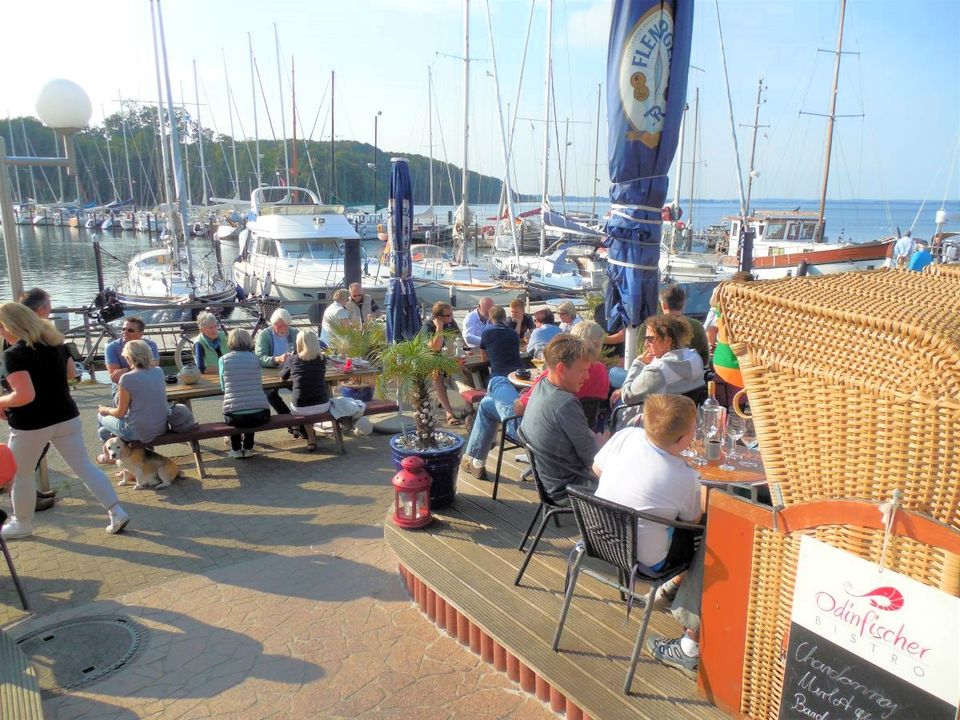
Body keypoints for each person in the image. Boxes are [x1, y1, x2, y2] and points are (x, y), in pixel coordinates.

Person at [592, 394, 705, 675]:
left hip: (598, 537)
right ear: (681, 441)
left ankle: (674, 587)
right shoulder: (683, 475)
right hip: (645, 560)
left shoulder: (626, 436)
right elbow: (693, 519)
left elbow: (597, 469)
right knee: (714, 536)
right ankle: (689, 640)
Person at [0, 303, 130, 539]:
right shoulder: (55, 343)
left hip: (32, 423)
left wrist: (1, 401)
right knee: (84, 467)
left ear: (9, 326)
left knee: (22, 473)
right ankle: (116, 511)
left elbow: (25, 395)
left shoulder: (13, 354)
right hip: (66, 415)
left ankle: (22, 523)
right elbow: (72, 373)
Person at [518, 334, 601, 503]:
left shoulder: (542, 386)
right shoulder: (566, 403)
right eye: (582, 370)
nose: (587, 377)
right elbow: (592, 458)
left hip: (549, 482)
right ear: (561, 368)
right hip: (570, 489)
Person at [612, 315, 705, 428]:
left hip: (656, 421)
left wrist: (638, 363)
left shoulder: (658, 371)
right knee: (615, 375)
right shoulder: (695, 357)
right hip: (685, 418)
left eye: (650, 339)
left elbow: (627, 396)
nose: (646, 344)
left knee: (612, 376)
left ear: (667, 341)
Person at [17, 288, 57, 512]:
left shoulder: (33, 330)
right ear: (41, 309)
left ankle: (31, 492)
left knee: (36, 448)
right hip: (28, 403)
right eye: (49, 306)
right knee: (26, 454)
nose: (51, 310)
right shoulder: (26, 332)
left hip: (35, 401)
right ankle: (26, 499)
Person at [96, 339, 169, 444]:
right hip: (161, 428)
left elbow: (120, 413)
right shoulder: (158, 371)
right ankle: (116, 452)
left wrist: (105, 410)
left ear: (129, 358)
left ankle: (109, 455)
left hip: (137, 432)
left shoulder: (126, 378)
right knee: (104, 431)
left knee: (100, 416)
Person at [220, 328, 271, 459]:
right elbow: (258, 382)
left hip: (235, 417)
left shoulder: (223, 360)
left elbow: (223, 387)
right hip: (260, 415)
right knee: (252, 405)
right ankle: (248, 448)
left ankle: (236, 449)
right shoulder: (255, 358)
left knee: (235, 409)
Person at [280, 329, 330, 451]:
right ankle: (310, 440)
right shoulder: (322, 359)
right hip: (322, 405)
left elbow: (283, 376)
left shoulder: (292, 359)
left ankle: (300, 429)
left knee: (304, 403)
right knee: (313, 397)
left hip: (300, 407)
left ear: (299, 343)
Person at [421, 301, 465, 426]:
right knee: (436, 375)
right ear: (438, 317)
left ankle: (469, 408)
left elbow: (460, 340)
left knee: (469, 369)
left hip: (450, 359)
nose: (451, 317)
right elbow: (435, 348)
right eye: (448, 315)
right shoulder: (428, 327)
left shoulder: (451, 323)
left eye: (452, 314)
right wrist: (439, 328)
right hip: (431, 362)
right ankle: (449, 413)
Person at [255, 308, 299, 423]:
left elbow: (304, 351)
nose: (283, 329)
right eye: (279, 326)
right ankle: (291, 422)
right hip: (270, 372)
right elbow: (259, 357)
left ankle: (303, 418)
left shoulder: (295, 333)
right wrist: (276, 359)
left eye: (285, 326)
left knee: (302, 390)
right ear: (273, 324)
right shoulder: (265, 335)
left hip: (290, 372)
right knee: (271, 395)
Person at [105, 316, 159, 400]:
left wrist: (127, 370)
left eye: (130, 330)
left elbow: (154, 367)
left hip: (146, 384)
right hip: (122, 388)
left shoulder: (151, 345)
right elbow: (116, 377)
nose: (125, 332)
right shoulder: (112, 347)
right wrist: (143, 369)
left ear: (141, 333)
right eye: (123, 329)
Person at [660, 284, 709, 366]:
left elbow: (642, 357)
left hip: (658, 375)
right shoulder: (697, 326)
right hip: (691, 376)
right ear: (683, 304)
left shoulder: (650, 327)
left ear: (664, 305)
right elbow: (704, 360)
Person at [478, 306, 524, 378]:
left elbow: (484, 358)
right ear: (505, 317)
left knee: (482, 379)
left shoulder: (486, 333)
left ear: (490, 318)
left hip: (499, 374)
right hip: (517, 374)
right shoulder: (513, 333)